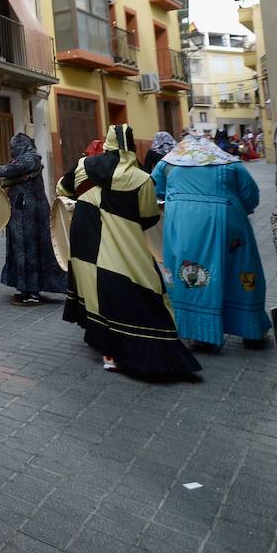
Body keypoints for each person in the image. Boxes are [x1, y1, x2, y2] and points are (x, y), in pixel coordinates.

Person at [58, 124, 201, 376]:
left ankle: (108, 350)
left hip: (85, 236)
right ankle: (132, 345)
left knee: (94, 284)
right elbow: (147, 216)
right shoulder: (142, 178)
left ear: (108, 143)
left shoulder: (83, 166)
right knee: (140, 283)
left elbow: (63, 188)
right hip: (124, 239)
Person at [152, 131, 271, 351]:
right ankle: (251, 330)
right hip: (230, 220)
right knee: (241, 269)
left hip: (186, 225)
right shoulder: (230, 164)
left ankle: (202, 335)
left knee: (193, 273)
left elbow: (157, 190)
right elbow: (250, 196)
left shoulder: (167, 164)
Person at [0, 133, 64, 306]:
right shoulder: (27, 159)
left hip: (29, 213)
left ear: (22, 146)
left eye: (14, 146)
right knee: (21, 249)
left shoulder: (30, 159)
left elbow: (8, 170)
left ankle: (32, 293)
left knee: (29, 249)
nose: (12, 150)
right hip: (22, 211)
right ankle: (25, 288)